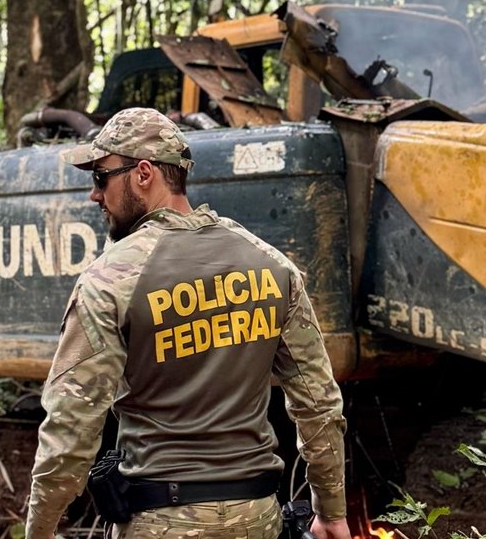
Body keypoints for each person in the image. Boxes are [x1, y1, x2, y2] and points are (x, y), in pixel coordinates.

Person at [26, 108, 351, 539]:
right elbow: (319, 404)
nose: (95, 195)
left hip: (158, 522)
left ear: (144, 174)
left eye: (100, 177)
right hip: (258, 518)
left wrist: (40, 529)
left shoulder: (109, 280)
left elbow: (71, 428)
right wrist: (331, 511)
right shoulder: (272, 266)